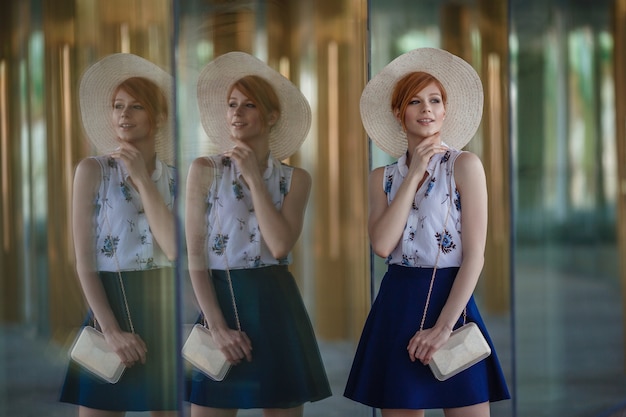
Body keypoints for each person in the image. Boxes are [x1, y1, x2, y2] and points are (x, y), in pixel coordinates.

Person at [344, 48, 511, 416]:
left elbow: (475, 256)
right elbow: (382, 244)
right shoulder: (382, 179)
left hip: (454, 302)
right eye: (415, 101)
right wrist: (415, 172)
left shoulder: (465, 165)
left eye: (435, 100)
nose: (427, 109)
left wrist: (442, 328)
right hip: (398, 303)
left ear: (445, 110)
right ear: (398, 112)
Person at [184, 51, 331, 417]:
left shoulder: (295, 179)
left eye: (248, 104)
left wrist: (253, 177)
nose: (236, 112)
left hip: (275, 301)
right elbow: (194, 255)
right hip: (217, 296)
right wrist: (216, 327)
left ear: (271, 115)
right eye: (232, 104)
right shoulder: (204, 169)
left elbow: (280, 244)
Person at [59, 53, 178, 416]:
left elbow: (176, 249)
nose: (124, 114)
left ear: (157, 119)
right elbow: (83, 260)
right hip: (105, 304)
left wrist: (142, 179)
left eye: (136, 106)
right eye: (117, 106)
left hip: (162, 306)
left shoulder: (177, 178)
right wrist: (109, 330)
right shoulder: (92, 171)